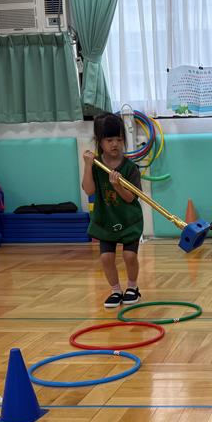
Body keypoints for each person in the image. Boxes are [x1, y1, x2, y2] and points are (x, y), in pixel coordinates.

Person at [83, 113, 144, 308]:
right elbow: (89, 190)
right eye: (109, 140)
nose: (115, 144)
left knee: (129, 256)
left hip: (129, 220)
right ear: (99, 141)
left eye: (119, 139)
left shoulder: (130, 168)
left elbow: (131, 198)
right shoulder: (96, 166)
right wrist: (87, 166)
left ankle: (132, 288)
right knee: (106, 257)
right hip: (106, 220)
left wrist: (118, 186)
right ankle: (116, 291)